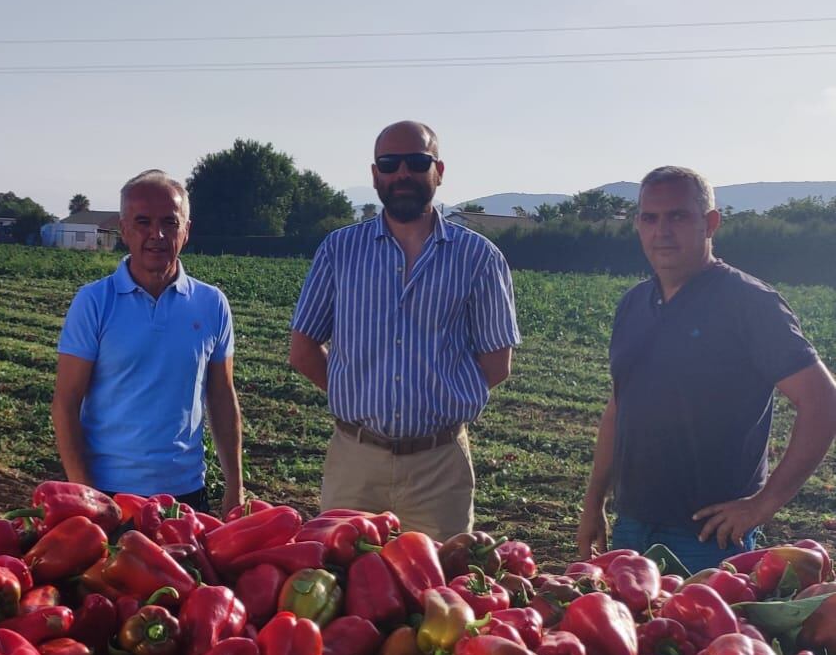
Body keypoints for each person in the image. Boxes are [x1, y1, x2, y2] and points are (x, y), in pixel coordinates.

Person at [578, 166, 836, 572]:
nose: (662, 230)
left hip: (708, 540)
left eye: (678, 216)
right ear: (638, 225)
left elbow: (823, 402)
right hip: (631, 527)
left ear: (710, 223)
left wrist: (762, 505)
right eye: (650, 218)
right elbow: (618, 407)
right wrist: (594, 503)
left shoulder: (749, 304)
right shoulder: (633, 305)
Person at [288, 121, 518, 540]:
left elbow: (496, 363)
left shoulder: (479, 257)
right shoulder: (339, 250)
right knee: (341, 590)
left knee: (442, 595)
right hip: (354, 461)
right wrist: (356, 392)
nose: (402, 174)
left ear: (439, 170)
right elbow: (303, 349)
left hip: (439, 466)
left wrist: (438, 401)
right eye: (390, 164)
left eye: (416, 162)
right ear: (375, 174)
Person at [52, 170, 244, 512]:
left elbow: (222, 397)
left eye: (169, 223)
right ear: (124, 230)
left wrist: (235, 486)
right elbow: (66, 403)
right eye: (143, 222)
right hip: (111, 494)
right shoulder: (95, 302)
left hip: (185, 494)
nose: (156, 234)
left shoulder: (212, 303)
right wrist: (86, 495)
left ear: (186, 231)